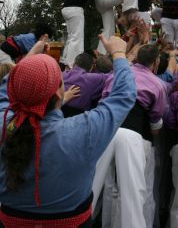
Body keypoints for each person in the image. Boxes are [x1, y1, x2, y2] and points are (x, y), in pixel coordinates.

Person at [0, 34, 136, 227]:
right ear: (58, 93)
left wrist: (32, 57)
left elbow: (7, 89)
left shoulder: (4, 124)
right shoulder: (84, 131)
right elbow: (123, 96)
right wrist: (119, 53)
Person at [92, 44, 167, 228]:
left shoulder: (115, 75)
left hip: (107, 127)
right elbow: (156, 120)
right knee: (136, 191)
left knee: (101, 186)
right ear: (156, 62)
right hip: (135, 133)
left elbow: (104, 99)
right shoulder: (157, 83)